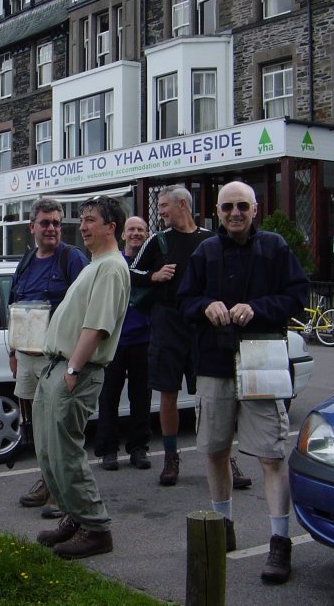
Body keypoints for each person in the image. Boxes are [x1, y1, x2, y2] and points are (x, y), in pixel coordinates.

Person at [178, 181, 308, 584]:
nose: (235, 213)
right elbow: (184, 302)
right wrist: (205, 305)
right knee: (215, 452)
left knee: (271, 456)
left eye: (242, 206)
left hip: (262, 361)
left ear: (255, 208)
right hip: (214, 365)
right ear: (217, 212)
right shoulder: (205, 251)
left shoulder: (274, 248)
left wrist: (259, 308)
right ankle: (223, 529)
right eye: (227, 207)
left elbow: (297, 297)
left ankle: (279, 541)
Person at [34, 196, 130, 559]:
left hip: (76, 370)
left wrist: (73, 370)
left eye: (91, 220)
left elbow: (97, 327)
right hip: (57, 366)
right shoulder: (95, 264)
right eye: (83, 220)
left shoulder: (111, 268)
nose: (84, 227)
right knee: (48, 452)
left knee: (65, 453)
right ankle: (75, 517)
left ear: (111, 227)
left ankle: (95, 528)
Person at [8, 198, 88, 514]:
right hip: (27, 356)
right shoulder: (26, 261)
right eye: (45, 222)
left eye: (56, 222)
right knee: (37, 428)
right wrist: (12, 352)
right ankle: (47, 482)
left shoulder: (72, 258)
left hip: (57, 357)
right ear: (32, 228)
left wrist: (76, 363)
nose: (52, 228)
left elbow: (86, 308)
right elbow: (14, 306)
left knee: (59, 427)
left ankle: (63, 494)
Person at [129, 185, 213, 486]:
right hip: (166, 323)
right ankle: (170, 458)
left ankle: (222, 459)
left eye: (164, 206)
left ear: (182, 204)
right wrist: (154, 276)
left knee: (210, 394)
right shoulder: (157, 240)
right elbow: (130, 271)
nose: (160, 211)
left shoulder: (208, 240)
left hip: (201, 323)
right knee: (168, 393)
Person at [92, 216, 152, 471]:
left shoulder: (152, 265)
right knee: (109, 398)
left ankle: (138, 449)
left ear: (147, 235)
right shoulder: (113, 262)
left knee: (141, 399)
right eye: (132, 230)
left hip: (144, 340)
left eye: (141, 230)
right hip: (113, 342)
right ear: (123, 235)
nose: (136, 233)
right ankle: (108, 450)